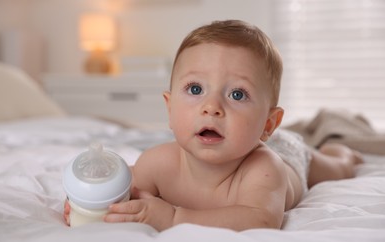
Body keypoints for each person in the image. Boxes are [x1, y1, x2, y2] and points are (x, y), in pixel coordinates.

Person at [64, 20, 362, 231]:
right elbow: (126, 195)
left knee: (337, 168)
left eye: (237, 94)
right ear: (169, 108)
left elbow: (260, 220)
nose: (211, 107)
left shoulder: (264, 168)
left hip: (292, 157)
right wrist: (92, 205)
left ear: (268, 123)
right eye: (195, 89)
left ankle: (340, 149)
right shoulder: (157, 163)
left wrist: (173, 218)